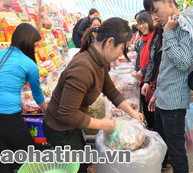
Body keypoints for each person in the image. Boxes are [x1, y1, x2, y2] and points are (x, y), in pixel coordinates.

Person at [43, 17, 144, 173]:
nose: (121, 55)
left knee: (82, 161)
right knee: (77, 168)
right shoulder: (83, 67)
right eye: (122, 49)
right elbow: (66, 114)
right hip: (59, 128)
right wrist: (102, 124)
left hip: (71, 124)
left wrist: (132, 113)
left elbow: (110, 90)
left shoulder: (98, 61)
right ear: (110, 42)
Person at [0, 23, 47, 173]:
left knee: (6, 157)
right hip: (8, 119)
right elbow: (37, 96)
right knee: (31, 155)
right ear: (28, 44)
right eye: (35, 46)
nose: (36, 50)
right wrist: (49, 112)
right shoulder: (30, 64)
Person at [143, 0, 193, 173]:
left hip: (174, 105)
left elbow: (183, 62)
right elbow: (165, 67)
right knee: (162, 143)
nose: (154, 17)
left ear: (169, 2)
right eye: (151, 13)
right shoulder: (168, 27)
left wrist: (168, 33)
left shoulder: (182, 25)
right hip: (163, 98)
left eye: (156, 11)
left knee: (176, 153)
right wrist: (156, 93)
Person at [131, 12, 155, 130]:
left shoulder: (155, 39)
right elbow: (140, 59)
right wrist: (136, 71)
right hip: (144, 80)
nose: (142, 26)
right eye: (139, 24)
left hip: (152, 81)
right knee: (146, 109)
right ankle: (151, 128)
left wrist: (143, 72)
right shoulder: (143, 40)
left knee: (152, 112)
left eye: (144, 22)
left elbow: (154, 62)